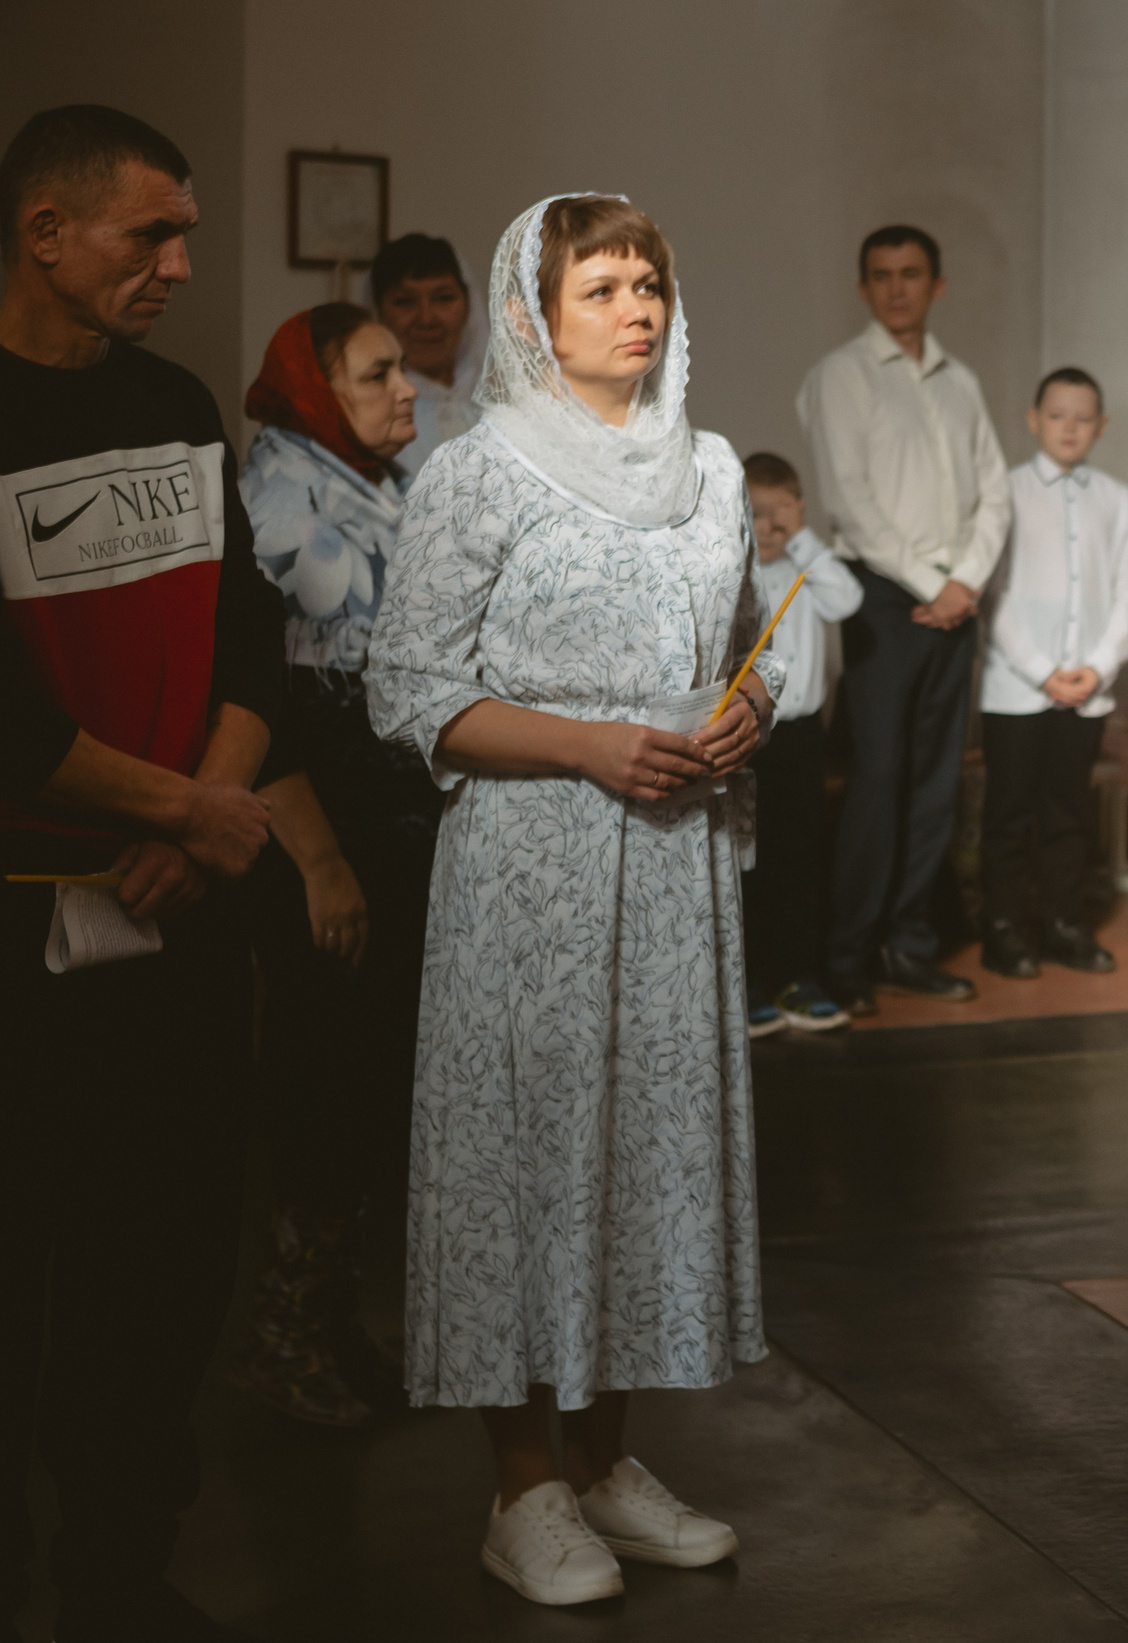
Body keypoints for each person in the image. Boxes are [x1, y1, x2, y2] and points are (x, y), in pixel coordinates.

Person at [367, 194, 774, 1607]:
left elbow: (738, 647)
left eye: (651, 279)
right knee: (523, 1154)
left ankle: (608, 1464)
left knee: (645, 1150)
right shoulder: (475, 472)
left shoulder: (713, 465)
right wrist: (589, 741)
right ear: (537, 314)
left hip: (672, 858)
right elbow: (408, 688)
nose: (637, 306)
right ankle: (522, 1483)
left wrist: (748, 710)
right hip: (531, 862)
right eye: (601, 285)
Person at [0, 105, 281, 1643]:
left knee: (162, 1281)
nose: (180, 261)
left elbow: (252, 643)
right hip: (23, 928)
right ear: (47, 235)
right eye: (150, 234)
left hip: (176, 923)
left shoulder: (175, 404)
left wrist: (204, 809)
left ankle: (116, 1580)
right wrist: (187, 806)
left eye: (183, 234)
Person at [232, 301, 442, 1429]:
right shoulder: (281, 498)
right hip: (321, 831)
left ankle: (326, 1328)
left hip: (380, 820)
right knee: (324, 1077)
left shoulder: (363, 482)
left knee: (363, 1083)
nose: (405, 389)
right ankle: (276, 1346)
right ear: (319, 391)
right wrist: (318, 859)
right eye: (377, 374)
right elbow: (275, 705)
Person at [798, 223, 1011, 1013]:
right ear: (863, 289)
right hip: (882, 598)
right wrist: (937, 583)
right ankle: (847, 954)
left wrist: (967, 581)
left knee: (935, 782)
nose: (896, 288)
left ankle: (908, 943)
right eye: (881, 276)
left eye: (911, 273)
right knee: (878, 781)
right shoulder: (841, 375)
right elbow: (851, 499)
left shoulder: (961, 380)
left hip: (955, 594)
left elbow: (995, 490)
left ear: (937, 286)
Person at [977, 366, 1128, 980]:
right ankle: (1004, 930)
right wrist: (1043, 670)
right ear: (1033, 420)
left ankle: (1064, 924)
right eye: (1056, 416)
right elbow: (992, 592)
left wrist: (1095, 670)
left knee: (1069, 816)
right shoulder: (1007, 491)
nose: (1069, 428)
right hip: (1015, 689)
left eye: (1083, 418)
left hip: (1086, 691)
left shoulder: (1117, 500)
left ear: (1101, 427)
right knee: (1010, 815)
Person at [739, 449, 861, 1034]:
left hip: (803, 736)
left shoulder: (808, 570)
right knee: (750, 863)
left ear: (798, 513)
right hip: (749, 738)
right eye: (753, 513)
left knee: (800, 859)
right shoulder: (733, 573)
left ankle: (798, 976)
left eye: (778, 514)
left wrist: (804, 541)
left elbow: (848, 600)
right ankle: (751, 979)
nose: (767, 528)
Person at [371, 232, 484, 483]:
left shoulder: (507, 402)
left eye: (444, 298)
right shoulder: (368, 420)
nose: (426, 319)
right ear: (378, 313)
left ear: (469, 306)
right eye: (404, 302)